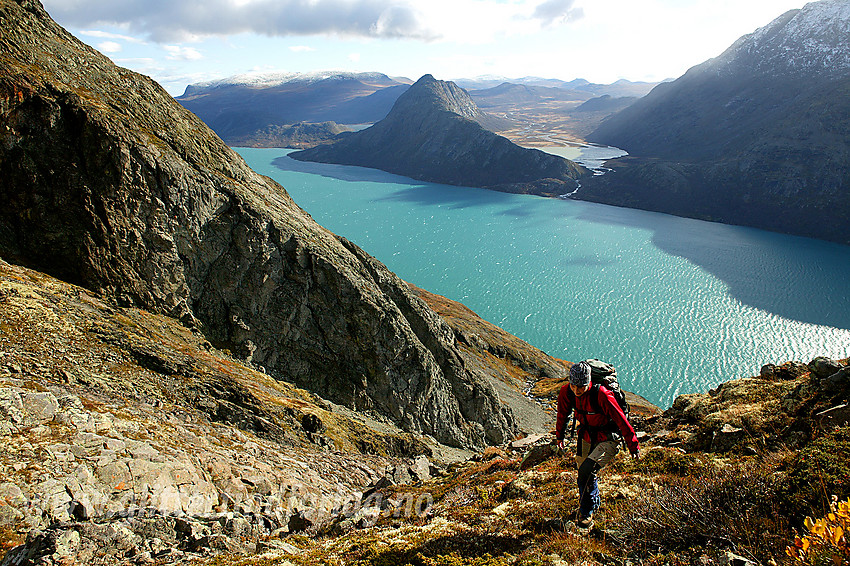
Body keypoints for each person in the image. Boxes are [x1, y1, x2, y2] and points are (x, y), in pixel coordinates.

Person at [555, 361, 640, 529]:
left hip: (608, 437)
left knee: (587, 470)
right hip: (586, 435)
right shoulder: (567, 392)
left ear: (589, 382)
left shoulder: (602, 394)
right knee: (583, 474)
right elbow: (562, 414)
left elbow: (621, 420)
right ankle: (592, 502)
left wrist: (633, 445)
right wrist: (560, 437)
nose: (577, 391)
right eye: (574, 386)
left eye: (581, 387)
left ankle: (586, 511)